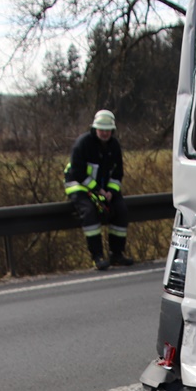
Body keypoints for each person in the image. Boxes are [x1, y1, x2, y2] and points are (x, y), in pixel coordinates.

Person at [64, 109, 133, 270]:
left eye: (107, 130)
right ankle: (97, 257)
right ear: (95, 129)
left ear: (112, 131)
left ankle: (117, 254)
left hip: (103, 189)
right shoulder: (83, 144)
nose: (104, 133)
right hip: (79, 185)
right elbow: (78, 172)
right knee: (89, 212)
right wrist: (98, 190)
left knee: (121, 210)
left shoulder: (114, 146)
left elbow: (117, 174)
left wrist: (111, 192)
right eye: (101, 130)